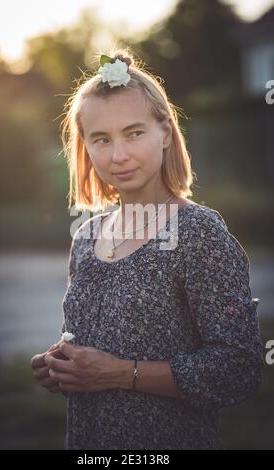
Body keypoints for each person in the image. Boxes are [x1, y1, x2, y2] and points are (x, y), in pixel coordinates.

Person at [31, 48, 263, 450]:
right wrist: (63, 367)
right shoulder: (85, 237)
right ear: (84, 146)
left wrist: (121, 373)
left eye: (134, 133)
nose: (118, 155)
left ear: (166, 133)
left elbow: (238, 369)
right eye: (101, 139)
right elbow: (93, 351)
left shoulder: (198, 232)